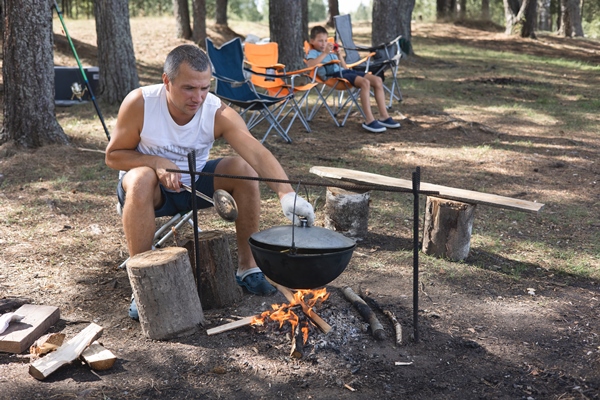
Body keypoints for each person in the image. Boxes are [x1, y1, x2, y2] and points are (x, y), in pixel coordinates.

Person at [105, 44, 315, 318]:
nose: (198, 97)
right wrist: (155, 163)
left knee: (242, 168)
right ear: (167, 81)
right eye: (189, 88)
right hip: (146, 191)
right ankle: (144, 282)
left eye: (205, 88)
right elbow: (113, 157)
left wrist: (286, 194)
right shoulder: (141, 103)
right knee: (142, 177)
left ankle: (247, 268)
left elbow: (255, 151)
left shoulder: (216, 112)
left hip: (193, 184)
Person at [306, 26, 401, 133]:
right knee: (365, 83)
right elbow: (310, 65)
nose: (323, 44)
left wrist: (339, 55)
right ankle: (369, 120)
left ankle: (384, 116)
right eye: (320, 41)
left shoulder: (330, 52)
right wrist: (325, 54)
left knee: (377, 80)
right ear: (312, 41)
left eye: (325, 41)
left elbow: (345, 68)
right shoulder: (313, 52)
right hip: (334, 76)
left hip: (344, 72)